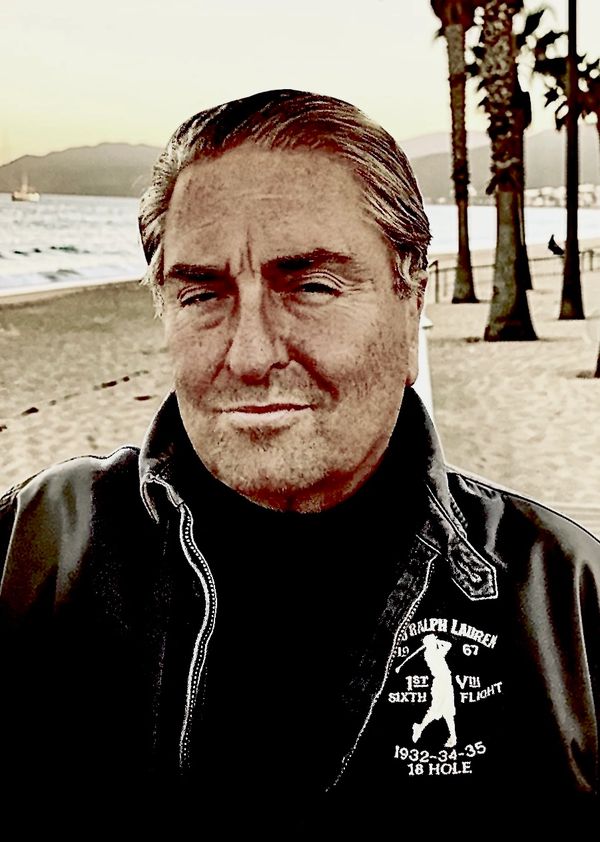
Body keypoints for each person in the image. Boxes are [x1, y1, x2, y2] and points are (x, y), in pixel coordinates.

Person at [0, 90, 598, 830]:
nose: (250, 355)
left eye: (312, 286)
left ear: (411, 307)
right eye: (201, 294)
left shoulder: (562, 599)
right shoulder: (39, 548)